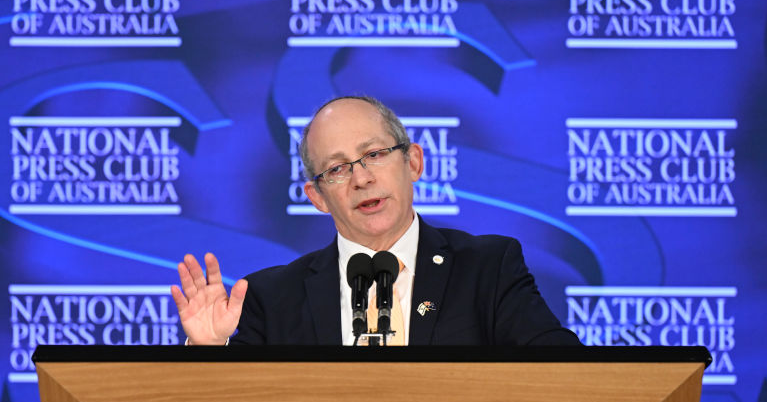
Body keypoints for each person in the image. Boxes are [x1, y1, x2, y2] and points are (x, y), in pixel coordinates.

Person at [171, 96, 580, 346]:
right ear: (317, 197)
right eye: (337, 169)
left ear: (413, 161)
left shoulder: (489, 268)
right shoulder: (273, 296)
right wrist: (207, 349)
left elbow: (563, 375)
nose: (362, 178)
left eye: (375, 155)